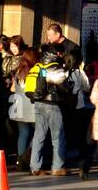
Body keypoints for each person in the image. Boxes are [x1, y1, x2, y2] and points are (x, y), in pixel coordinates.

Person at [27, 46, 71, 177]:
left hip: (38, 104)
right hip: (52, 105)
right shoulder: (55, 68)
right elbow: (64, 88)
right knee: (58, 138)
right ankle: (57, 167)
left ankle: (35, 167)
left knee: (38, 137)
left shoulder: (37, 67)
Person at [9, 47, 38, 171]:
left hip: (19, 106)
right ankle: (28, 156)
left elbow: (12, 89)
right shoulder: (35, 71)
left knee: (23, 133)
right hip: (32, 107)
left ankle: (19, 159)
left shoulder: (18, 72)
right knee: (38, 133)